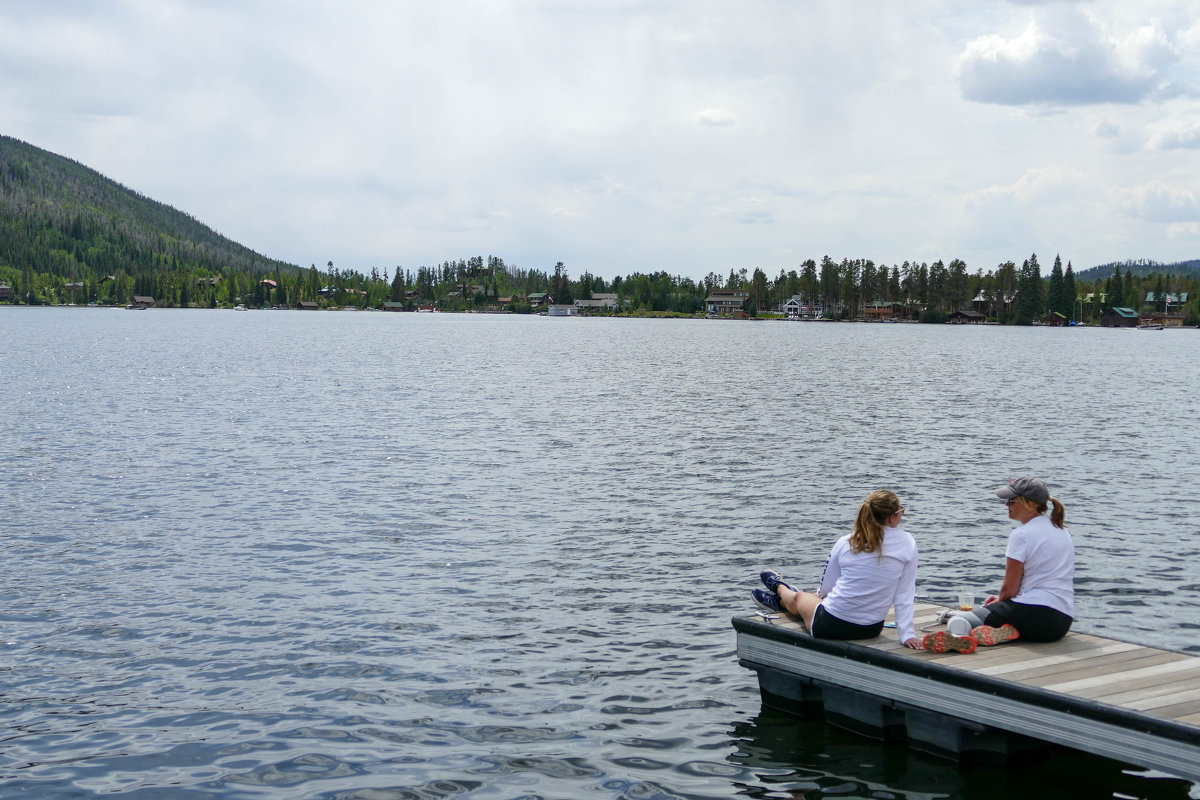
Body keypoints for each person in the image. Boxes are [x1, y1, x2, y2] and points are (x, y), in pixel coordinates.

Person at [751, 490, 923, 650]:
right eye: (901, 511)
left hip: (829, 625)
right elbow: (904, 594)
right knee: (810, 600)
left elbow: (827, 587)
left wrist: (819, 596)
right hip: (871, 628)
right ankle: (783, 594)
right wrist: (907, 635)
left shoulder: (847, 542)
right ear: (891, 518)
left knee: (801, 597)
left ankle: (779, 592)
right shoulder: (908, 543)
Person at [934, 477, 1074, 650]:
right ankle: (1004, 632)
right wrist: (1002, 602)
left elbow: (1009, 590)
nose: (1006, 505)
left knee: (960, 619)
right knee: (1005, 615)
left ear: (1030, 504)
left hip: (1030, 614)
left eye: (1011, 501)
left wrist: (1000, 602)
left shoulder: (1021, 534)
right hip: (1059, 624)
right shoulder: (1061, 530)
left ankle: (960, 637)